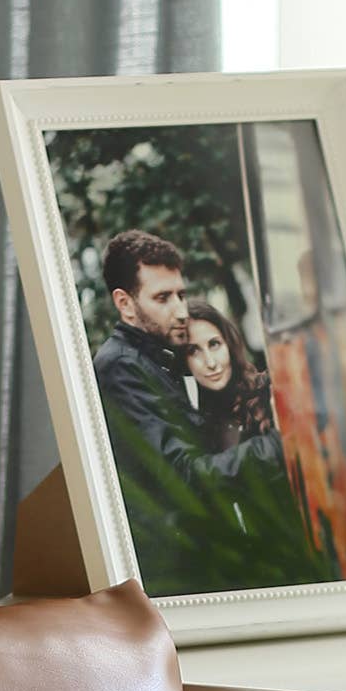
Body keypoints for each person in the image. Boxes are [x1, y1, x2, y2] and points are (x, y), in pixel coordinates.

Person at [90, 229, 283, 596]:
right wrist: (279, 447)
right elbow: (186, 476)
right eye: (163, 298)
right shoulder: (121, 368)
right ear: (125, 303)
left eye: (181, 294)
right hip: (174, 575)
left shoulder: (156, 359)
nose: (180, 310)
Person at [183, 299, 322, 588]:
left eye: (214, 344)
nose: (209, 362)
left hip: (314, 552)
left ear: (229, 344)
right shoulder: (199, 430)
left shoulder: (270, 390)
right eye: (193, 351)